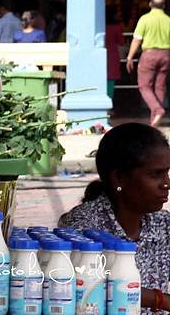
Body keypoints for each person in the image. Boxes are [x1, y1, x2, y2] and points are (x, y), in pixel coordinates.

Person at [59, 123, 170, 311]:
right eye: (155, 175)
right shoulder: (83, 226)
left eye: (167, 173)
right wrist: (159, 300)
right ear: (119, 178)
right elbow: (92, 289)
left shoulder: (163, 224)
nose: (166, 183)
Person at [126, 0, 170, 126]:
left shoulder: (145, 19)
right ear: (164, 6)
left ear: (150, 4)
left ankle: (157, 110)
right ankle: (155, 120)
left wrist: (130, 57)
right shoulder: (168, 20)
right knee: (160, 86)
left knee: (144, 85)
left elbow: (137, 39)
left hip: (149, 54)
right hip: (166, 55)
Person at [106, 6, 125, 101]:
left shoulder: (98, 26)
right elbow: (121, 42)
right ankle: (109, 104)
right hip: (112, 55)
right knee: (110, 80)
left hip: (100, 55)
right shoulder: (116, 27)